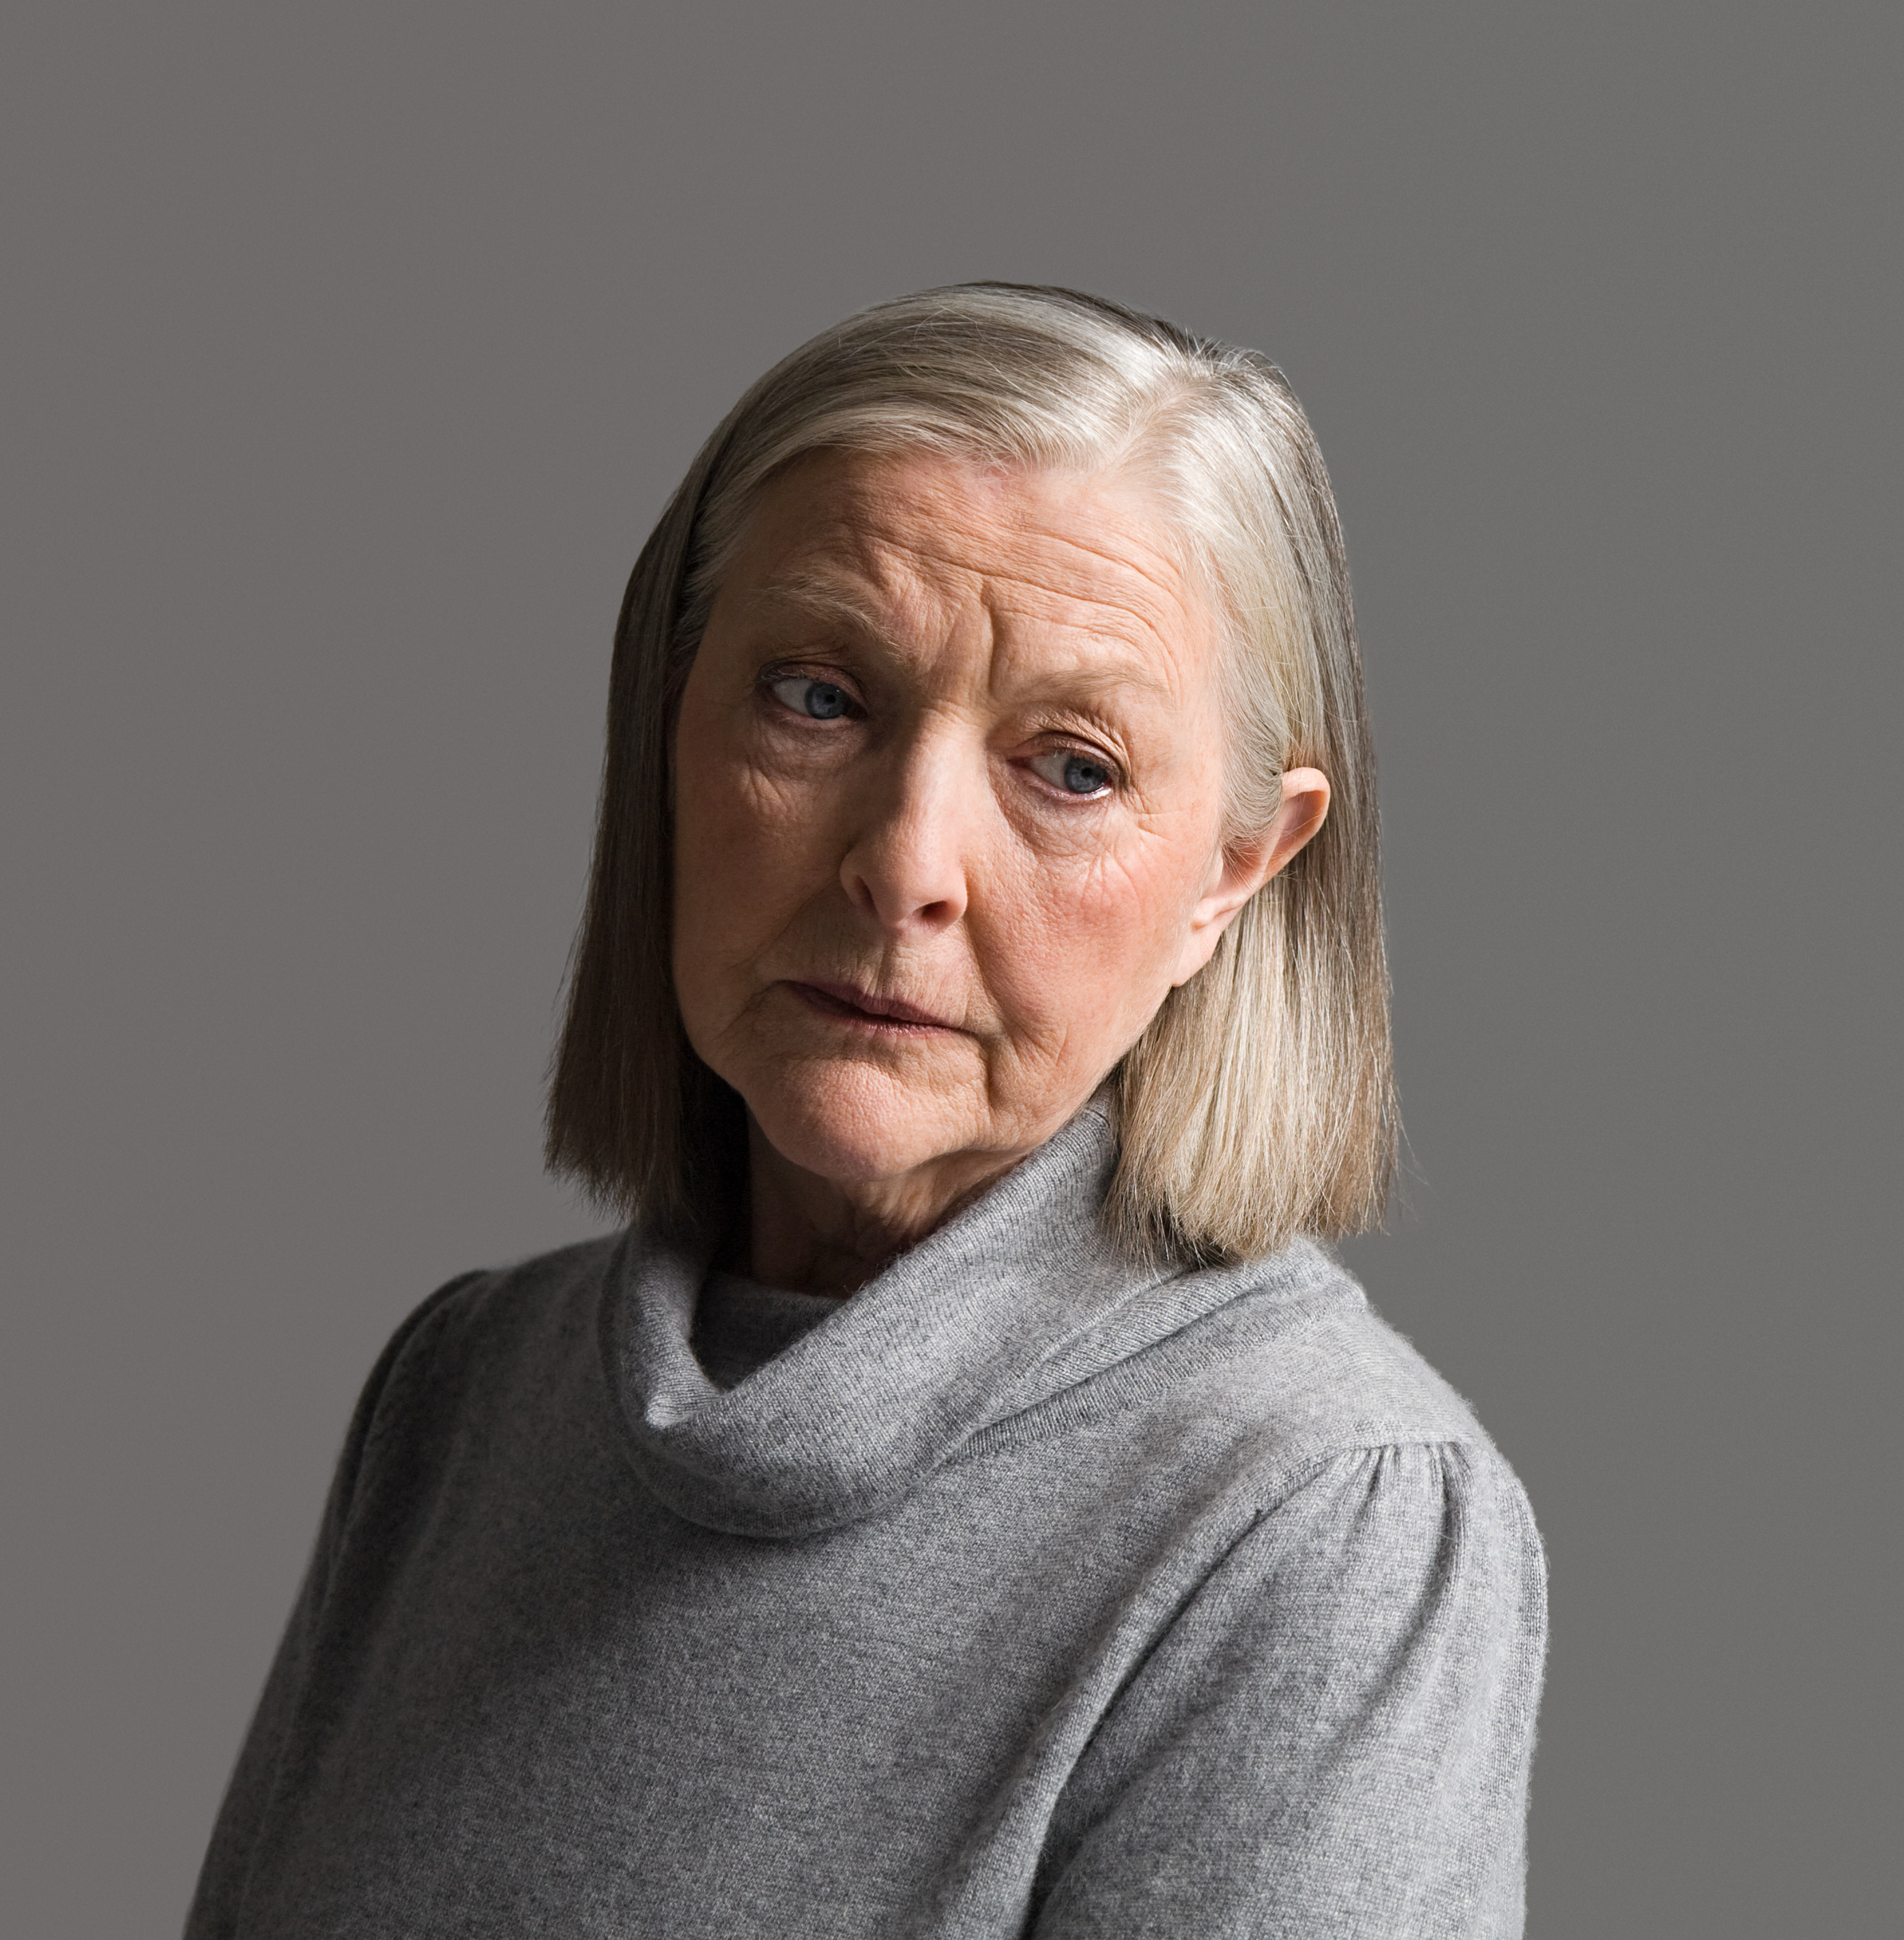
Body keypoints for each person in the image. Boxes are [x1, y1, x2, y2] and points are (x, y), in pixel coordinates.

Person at [186, 285, 1547, 1938]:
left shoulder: (1318, 1517)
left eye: (1072, 767)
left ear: (1234, 873)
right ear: (663, 727)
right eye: (817, 697)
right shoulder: (464, 1397)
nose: (904, 864)